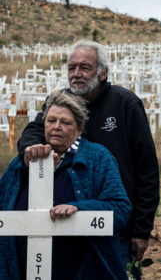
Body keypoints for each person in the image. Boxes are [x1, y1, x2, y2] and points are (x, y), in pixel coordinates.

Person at [17, 39, 159, 279]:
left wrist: (142, 229)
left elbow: (146, 169)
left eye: (85, 67)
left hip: (116, 226)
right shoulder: (60, 101)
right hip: (62, 223)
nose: (76, 74)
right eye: (72, 68)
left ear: (102, 72)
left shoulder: (125, 104)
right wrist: (32, 147)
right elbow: (35, 129)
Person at [0, 89, 131, 279]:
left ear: (80, 127)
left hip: (82, 271)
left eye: (66, 122)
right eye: (51, 120)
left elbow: (119, 209)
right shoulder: (23, 162)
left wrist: (78, 209)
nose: (56, 127)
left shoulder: (99, 159)